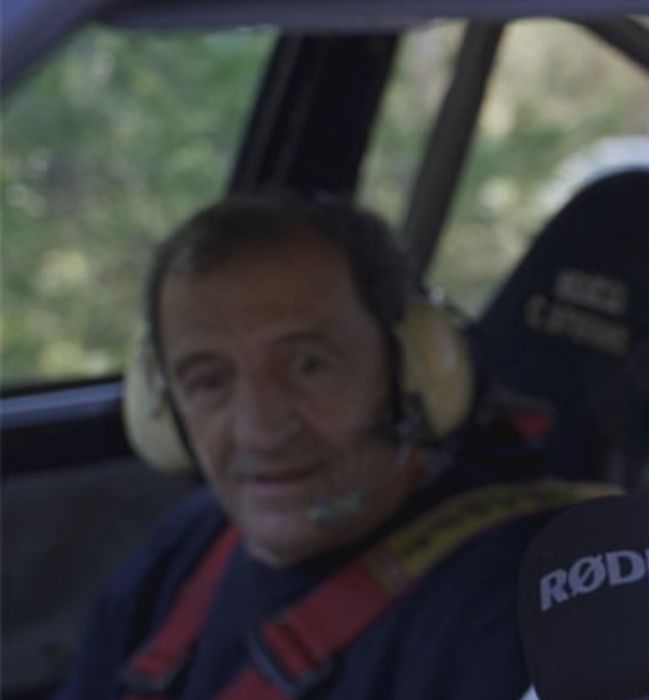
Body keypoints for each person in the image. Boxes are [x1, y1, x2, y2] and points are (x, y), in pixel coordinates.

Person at [57, 194, 606, 699]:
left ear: (411, 368)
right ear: (160, 405)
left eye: (307, 365)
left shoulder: (512, 602)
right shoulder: (184, 550)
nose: (260, 431)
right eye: (208, 381)